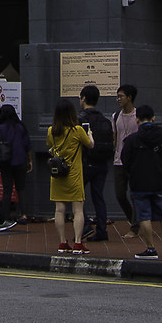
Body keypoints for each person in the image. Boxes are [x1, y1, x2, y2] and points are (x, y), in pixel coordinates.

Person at [120, 104, 162, 259]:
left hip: (139, 182)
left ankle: (151, 248)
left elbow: (125, 160)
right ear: (153, 118)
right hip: (159, 179)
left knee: (144, 216)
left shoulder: (132, 139)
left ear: (137, 119)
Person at [46, 99, 94, 252]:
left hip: (57, 176)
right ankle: (78, 243)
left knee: (59, 210)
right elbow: (90, 145)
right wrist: (90, 134)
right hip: (73, 175)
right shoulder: (77, 130)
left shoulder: (51, 131)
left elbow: (51, 147)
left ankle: (62, 242)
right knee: (77, 209)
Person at [78, 86, 115, 241]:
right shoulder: (104, 120)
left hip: (85, 162)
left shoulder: (81, 119)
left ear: (84, 98)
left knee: (76, 197)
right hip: (102, 163)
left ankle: (85, 225)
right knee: (98, 197)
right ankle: (101, 231)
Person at [110, 85, 141, 235]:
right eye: (117, 96)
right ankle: (134, 220)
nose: (118, 99)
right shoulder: (115, 116)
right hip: (119, 161)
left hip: (135, 162)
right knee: (120, 194)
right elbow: (115, 137)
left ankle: (135, 226)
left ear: (129, 97)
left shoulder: (138, 115)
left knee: (135, 194)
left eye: (121, 96)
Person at [0, 104, 30, 232]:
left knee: (7, 188)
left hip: (5, 161)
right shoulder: (20, 127)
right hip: (20, 160)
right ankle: (24, 214)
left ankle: (5, 215)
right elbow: (27, 145)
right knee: (21, 188)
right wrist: (29, 160)